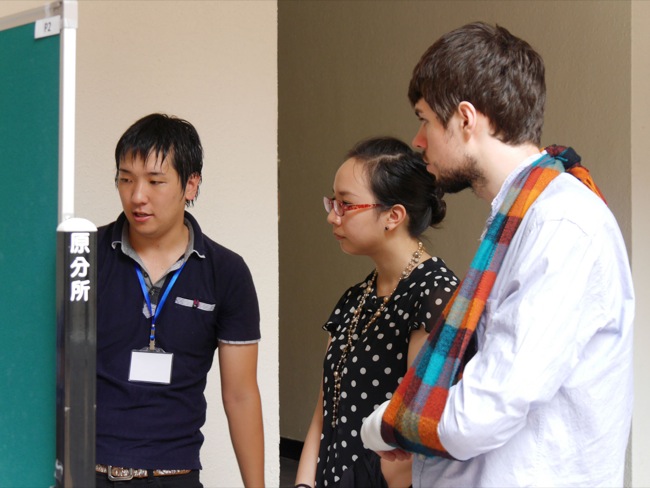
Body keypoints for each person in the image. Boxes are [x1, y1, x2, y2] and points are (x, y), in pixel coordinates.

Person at [361, 22, 634, 487]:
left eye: (425, 119)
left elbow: (483, 412)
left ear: (466, 119)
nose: (419, 140)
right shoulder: (524, 216)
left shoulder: (560, 222)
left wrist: (387, 424)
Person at [95, 113, 265, 487]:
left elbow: (240, 395)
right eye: (126, 179)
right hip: (87, 471)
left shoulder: (226, 271)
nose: (137, 196)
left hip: (174, 475)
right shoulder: (85, 257)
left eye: (155, 181)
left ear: (191, 184)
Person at [295, 137, 459, 488]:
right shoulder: (355, 298)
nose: (332, 216)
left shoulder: (435, 295)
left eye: (345, 204)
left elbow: (423, 437)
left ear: (393, 216)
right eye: (332, 202)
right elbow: (323, 414)